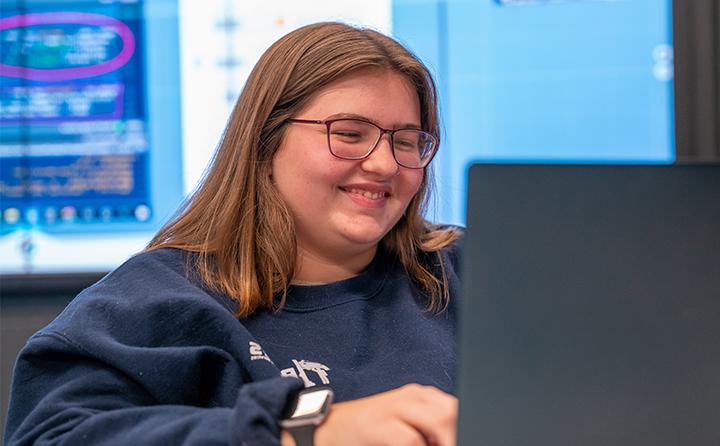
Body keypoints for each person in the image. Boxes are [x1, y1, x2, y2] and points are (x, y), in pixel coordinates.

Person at [4, 22, 462, 446]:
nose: (383, 164)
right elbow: (50, 434)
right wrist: (301, 433)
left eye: (406, 142)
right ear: (265, 141)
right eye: (348, 134)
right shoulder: (159, 303)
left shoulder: (466, 272)